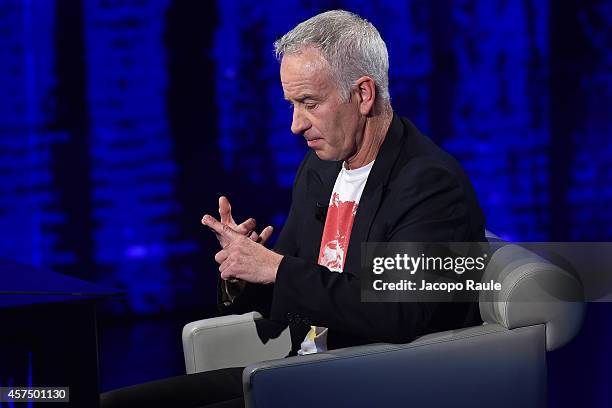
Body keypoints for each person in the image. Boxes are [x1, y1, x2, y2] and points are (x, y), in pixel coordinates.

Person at [101, 9, 485, 407]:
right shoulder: (319, 167)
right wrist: (247, 269)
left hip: (368, 381)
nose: (295, 125)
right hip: (301, 369)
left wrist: (276, 268)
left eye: (309, 103)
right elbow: (296, 286)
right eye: (291, 105)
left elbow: (400, 313)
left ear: (364, 94)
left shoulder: (430, 182)